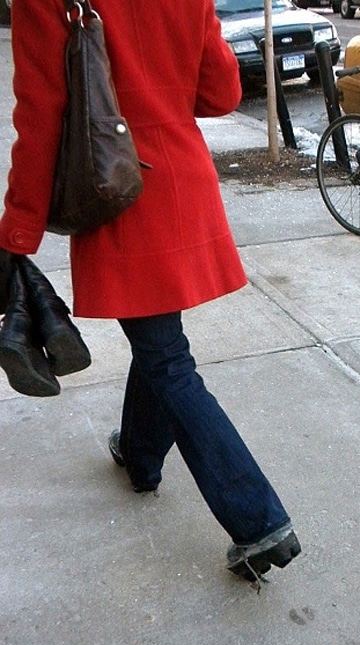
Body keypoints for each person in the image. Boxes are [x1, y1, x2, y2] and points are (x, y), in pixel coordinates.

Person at [0, 0, 300, 583]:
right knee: (159, 342)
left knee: (167, 359)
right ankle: (140, 456)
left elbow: (43, 113)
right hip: (179, 181)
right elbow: (220, 93)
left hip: (119, 189)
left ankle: (258, 521)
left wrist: (18, 229)